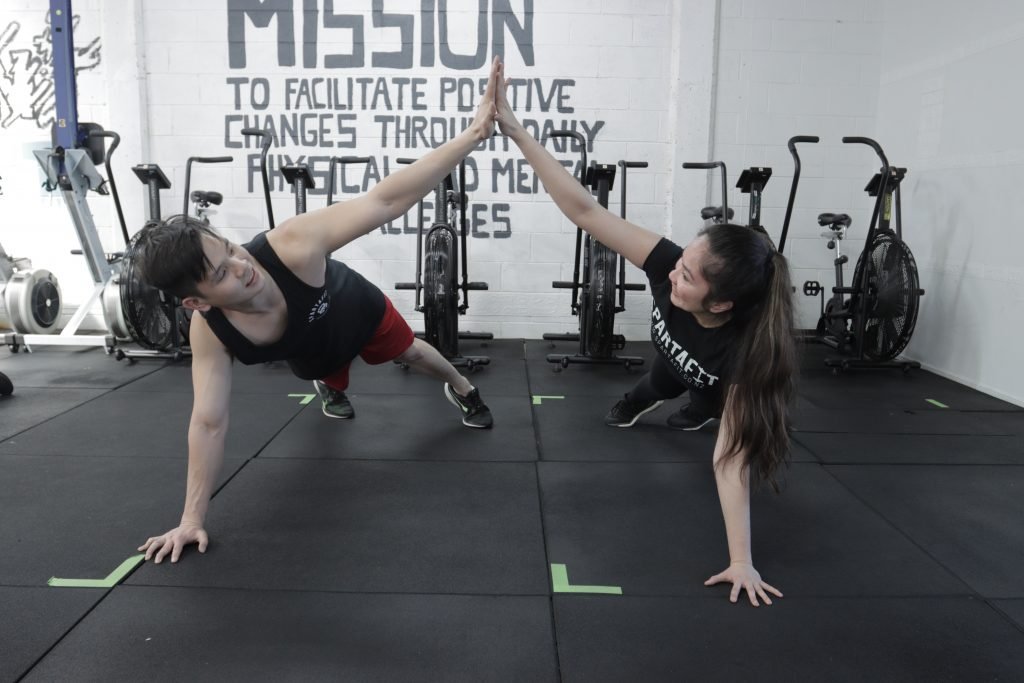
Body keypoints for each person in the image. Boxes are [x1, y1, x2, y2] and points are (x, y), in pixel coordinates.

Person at [138, 57, 503, 565]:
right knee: (321, 371)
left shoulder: (292, 245)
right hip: (308, 350)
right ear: (196, 303)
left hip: (352, 308)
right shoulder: (211, 332)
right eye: (220, 274)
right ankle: (330, 382)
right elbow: (208, 423)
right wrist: (192, 518)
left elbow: (385, 201)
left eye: (230, 250)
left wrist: (474, 134)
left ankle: (463, 389)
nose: (241, 267)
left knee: (416, 355)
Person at [493, 57, 797, 607]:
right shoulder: (672, 261)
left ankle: (699, 406)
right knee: (654, 386)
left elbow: (730, 462)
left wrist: (740, 562)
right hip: (671, 357)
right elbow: (586, 210)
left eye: (686, 277)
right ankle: (646, 399)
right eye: (681, 262)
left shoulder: (743, 359)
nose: (672, 272)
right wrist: (516, 129)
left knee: (700, 402)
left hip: (711, 381)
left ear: (723, 302)